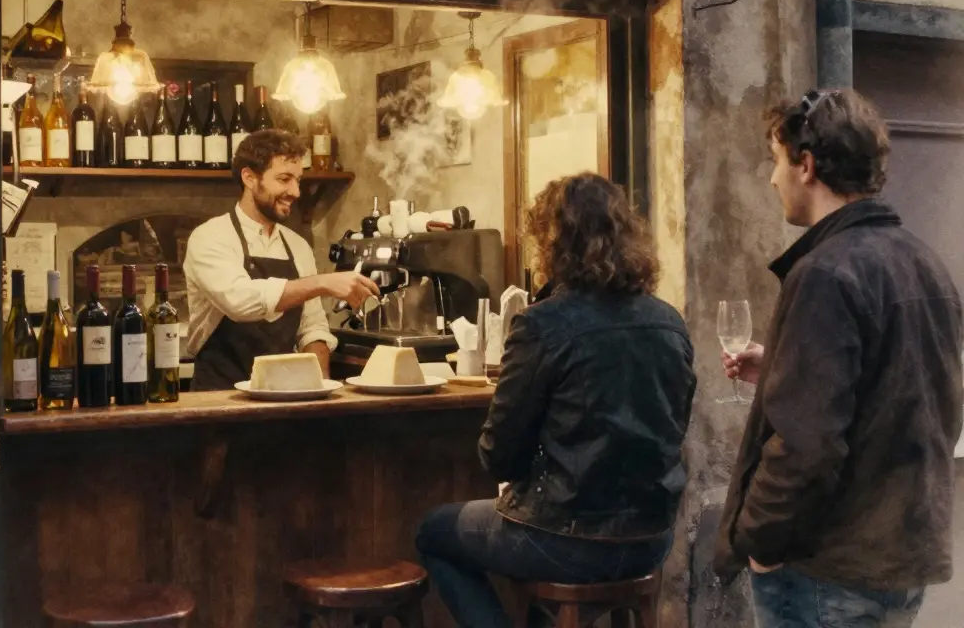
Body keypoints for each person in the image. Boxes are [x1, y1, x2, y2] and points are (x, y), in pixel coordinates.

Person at [715, 89, 963, 627]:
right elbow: (910, 399)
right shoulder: (926, 263)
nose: (771, 178)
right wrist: (781, 369)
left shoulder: (825, 274)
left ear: (806, 165)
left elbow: (807, 447)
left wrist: (758, 542)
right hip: (900, 559)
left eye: (775, 160)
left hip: (828, 569)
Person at [416, 173, 697, 627]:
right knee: (532, 534)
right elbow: (676, 425)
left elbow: (499, 457)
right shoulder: (668, 321)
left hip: (565, 539)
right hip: (652, 537)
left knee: (433, 531)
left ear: (551, 243)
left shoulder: (543, 324)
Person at [183, 129, 378, 390]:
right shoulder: (210, 237)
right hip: (219, 397)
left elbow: (312, 327)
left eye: (298, 180)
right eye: (284, 179)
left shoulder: (297, 246)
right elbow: (240, 301)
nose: (296, 192)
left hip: (282, 396)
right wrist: (321, 283)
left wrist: (321, 386)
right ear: (250, 178)